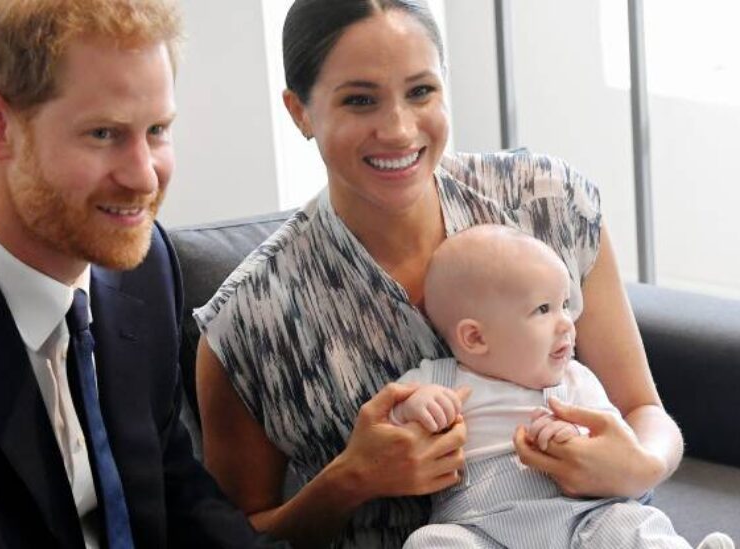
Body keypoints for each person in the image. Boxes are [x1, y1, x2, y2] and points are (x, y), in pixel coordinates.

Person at [194, 1, 684, 547]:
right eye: (360, 100)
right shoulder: (248, 320)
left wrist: (638, 466)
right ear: (300, 112)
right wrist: (351, 480)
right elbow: (232, 537)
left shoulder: (547, 201)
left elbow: (644, 409)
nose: (400, 130)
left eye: (421, 91)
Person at [0, 1, 288, 547]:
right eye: (104, 134)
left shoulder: (143, 269)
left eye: (157, 130)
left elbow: (172, 486)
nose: (145, 177)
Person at [390, 225, 733, 549]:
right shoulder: (439, 380)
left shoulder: (576, 380)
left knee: (631, 524)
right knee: (430, 541)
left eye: (565, 304)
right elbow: (385, 420)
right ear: (476, 337)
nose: (566, 322)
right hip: (480, 528)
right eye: (544, 309)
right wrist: (414, 406)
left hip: (583, 519)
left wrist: (574, 437)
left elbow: (612, 441)